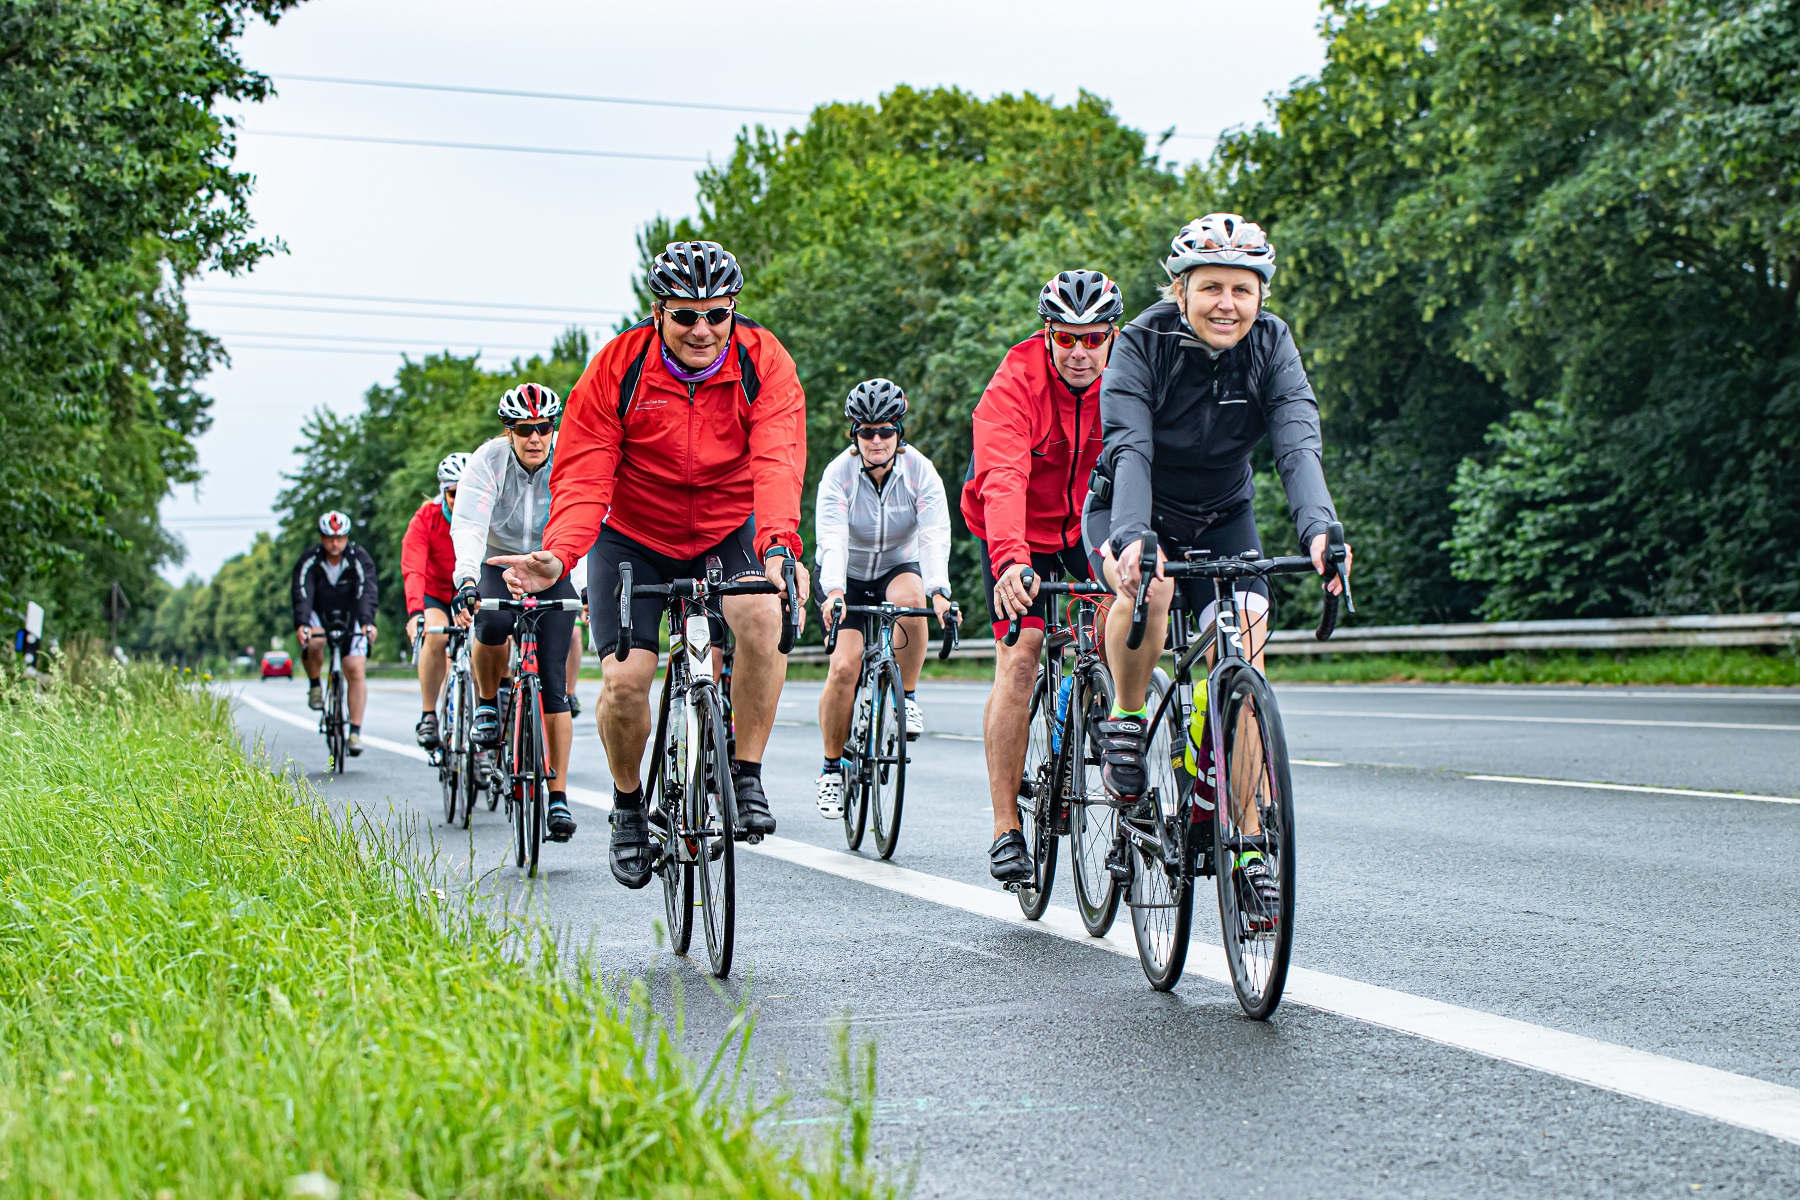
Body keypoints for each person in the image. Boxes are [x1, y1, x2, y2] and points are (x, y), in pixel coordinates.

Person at [491, 240, 809, 890]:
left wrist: (779, 546)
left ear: (733, 312)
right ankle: (630, 805)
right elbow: (583, 476)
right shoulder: (618, 368)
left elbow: (778, 455)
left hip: (727, 526)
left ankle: (744, 774)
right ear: (658, 311)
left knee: (760, 615)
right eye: (686, 315)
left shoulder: (762, 362)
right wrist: (561, 554)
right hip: (631, 534)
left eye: (716, 315)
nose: (702, 329)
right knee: (627, 683)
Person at [1084, 212, 1351, 916]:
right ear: (1180, 291)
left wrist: (1321, 529)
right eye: (1211, 288)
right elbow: (1128, 448)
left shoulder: (1271, 345)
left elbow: (1297, 442)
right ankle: (1129, 717)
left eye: (1242, 288)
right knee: (1155, 587)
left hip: (1225, 515)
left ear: (1261, 295)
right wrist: (1135, 537)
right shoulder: (1141, 343)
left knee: (1247, 662)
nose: (1227, 303)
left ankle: (1249, 846)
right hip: (1132, 506)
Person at [959, 269, 1121, 883]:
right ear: (1046, 334)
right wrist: (1010, 560)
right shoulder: (1015, 380)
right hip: (1014, 528)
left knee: (1117, 617)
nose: (1080, 353)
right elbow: (1002, 476)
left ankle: (1107, 716)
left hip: (1085, 527)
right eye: (1066, 339)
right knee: (1023, 653)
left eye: (1093, 339)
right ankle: (1006, 825)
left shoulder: (1125, 379)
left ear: (1110, 337)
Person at [813, 378, 954, 820]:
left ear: (899, 431)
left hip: (897, 565)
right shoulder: (838, 475)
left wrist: (939, 590)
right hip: (848, 575)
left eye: (886, 430)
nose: (877, 440)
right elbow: (832, 538)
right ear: (854, 434)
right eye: (867, 431)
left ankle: (906, 697)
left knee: (914, 602)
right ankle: (832, 769)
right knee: (843, 669)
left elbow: (933, 535)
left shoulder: (920, 472)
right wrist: (834, 590)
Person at [450, 383, 581, 842]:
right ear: (509, 432)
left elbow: (588, 518)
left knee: (554, 685)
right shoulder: (486, 462)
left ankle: (559, 797)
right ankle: (488, 703)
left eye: (544, 428)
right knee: (490, 620)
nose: (536, 439)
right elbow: (468, 526)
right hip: (497, 560)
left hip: (553, 561)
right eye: (525, 430)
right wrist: (466, 579)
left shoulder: (569, 457)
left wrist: (582, 587)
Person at [290, 510, 379, 755]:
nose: (335, 543)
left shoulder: (359, 558)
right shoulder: (310, 559)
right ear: (321, 537)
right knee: (314, 641)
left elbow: (368, 590)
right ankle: (315, 685)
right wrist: (302, 624)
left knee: (354, 667)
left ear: (347, 537)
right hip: (320, 614)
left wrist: (367, 622)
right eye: (329, 538)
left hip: (352, 617)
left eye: (340, 538)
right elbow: (302, 592)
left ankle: (355, 732)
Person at [403, 452, 467, 749]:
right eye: (455, 493)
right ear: (443, 492)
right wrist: (416, 612)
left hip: (470, 591)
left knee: (490, 641)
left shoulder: (486, 513)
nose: (461, 499)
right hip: (437, 592)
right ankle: (429, 714)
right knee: (436, 636)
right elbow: (413, 567)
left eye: (468, 492)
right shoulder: (425, 519)